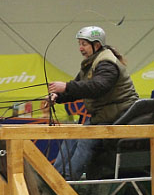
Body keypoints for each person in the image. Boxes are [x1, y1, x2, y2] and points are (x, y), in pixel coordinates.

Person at [48, 25, 139, 179]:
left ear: (96, 45)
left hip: (119, 116)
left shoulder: (107, 63)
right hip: (103, 117)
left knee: (85, 140)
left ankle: (68, 181)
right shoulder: (91, 63)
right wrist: (58, 96)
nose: (80, 48)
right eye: (79, 44)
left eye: (84, 44)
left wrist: (66, 86)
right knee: (72, 135)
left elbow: (98, 87)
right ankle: (56, 178)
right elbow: (78, 89)